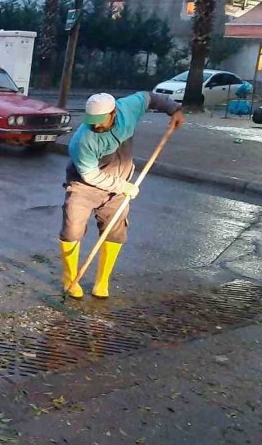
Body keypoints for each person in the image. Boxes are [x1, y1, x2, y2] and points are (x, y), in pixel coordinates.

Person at [60, 92, 185, 299]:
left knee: (115, 232)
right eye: (92, 122)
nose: (96, 127)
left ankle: (102, 281)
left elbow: (150, 98)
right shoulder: (82, 141)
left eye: (100, 122)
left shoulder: (128, 108)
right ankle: (70, 278)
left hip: (118, 184)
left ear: (114, 112)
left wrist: (175, 109)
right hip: (84, 185)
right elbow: (90, 175)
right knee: (72, 229)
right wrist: (123, 186)